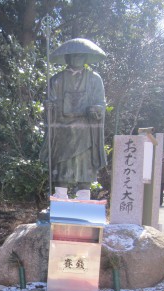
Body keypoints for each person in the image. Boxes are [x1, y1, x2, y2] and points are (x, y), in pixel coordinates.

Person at [40, 38, 107, 200]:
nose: (76, 59)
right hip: (63, 131)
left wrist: (97, 109)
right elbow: (50, 103)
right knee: (62, 167)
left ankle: (84, 197)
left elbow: (101, 102)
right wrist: (49, 107)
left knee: (85, 167)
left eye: (80, 56)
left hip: (85, 131)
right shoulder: (56, 80)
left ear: (85, 58)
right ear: (67, 58)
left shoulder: (94, 79)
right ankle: (60, 196)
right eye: (73, 56)